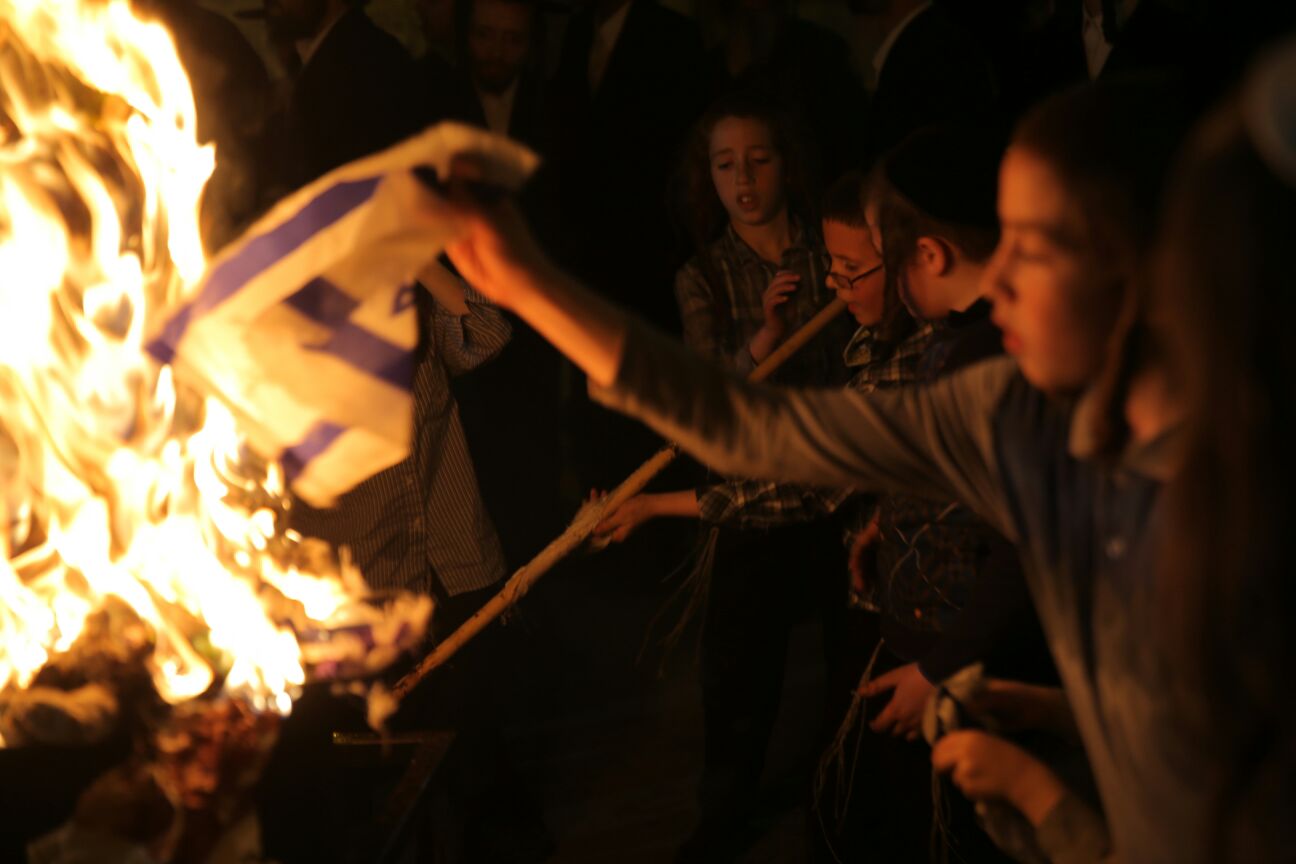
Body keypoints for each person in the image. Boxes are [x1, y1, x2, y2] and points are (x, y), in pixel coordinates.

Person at [431, 77, 1270, 862]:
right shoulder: (1006, 409)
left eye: (1035, 246)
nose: (998, 275)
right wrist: (531, 286)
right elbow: (763, 428)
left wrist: (1043, 797)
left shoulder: (1243, 512)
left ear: (1146, 272)